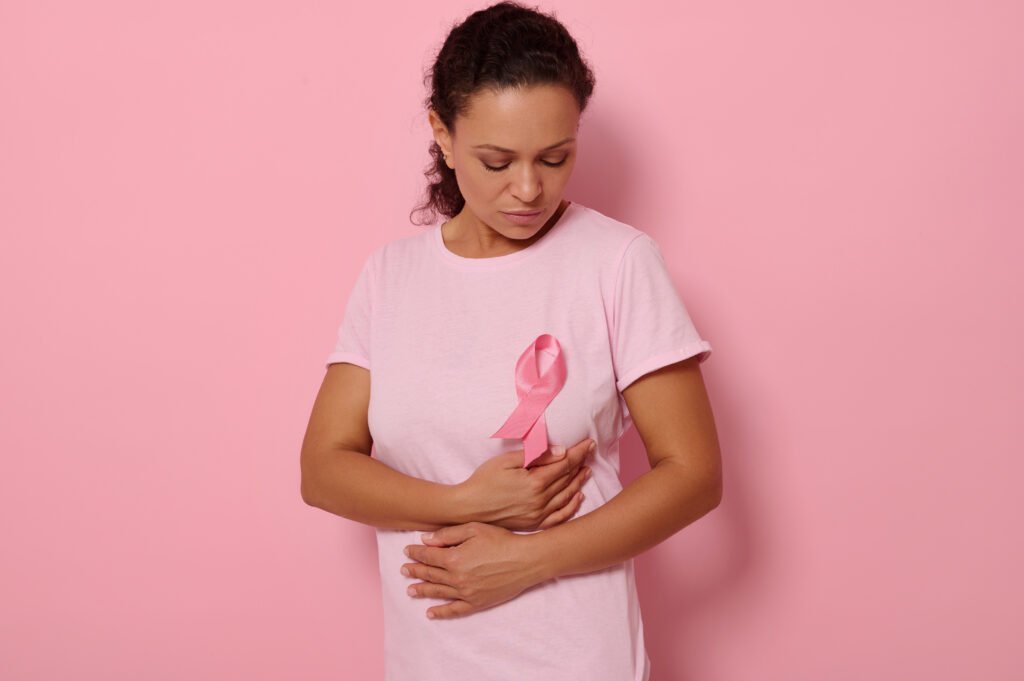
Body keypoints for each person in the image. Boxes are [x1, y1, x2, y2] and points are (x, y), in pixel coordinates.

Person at [300, 2, 722, 679]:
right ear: (443, 133)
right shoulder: (391, 277)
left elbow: (694, 474)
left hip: (579, 656)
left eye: (555, 157)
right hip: (429, 658)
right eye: (497, 161)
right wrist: (462, 500)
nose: (529, 189)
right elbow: (322, 469)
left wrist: (526, 559)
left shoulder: (616, 262)